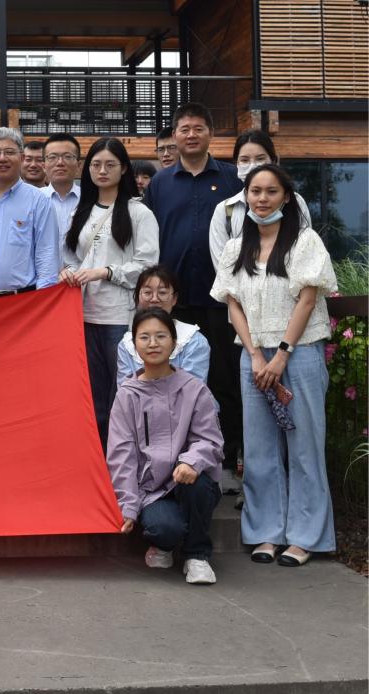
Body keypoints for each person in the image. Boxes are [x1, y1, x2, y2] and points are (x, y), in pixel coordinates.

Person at [211, 163, 337, 567]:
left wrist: (281, 354)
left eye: (271, 191)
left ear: (287, 197)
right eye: (255, 191)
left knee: (305, 448)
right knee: (260, 449)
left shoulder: (305, 241)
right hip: (254, 357)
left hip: (299, 354)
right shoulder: (236, 247)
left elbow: (307, 300)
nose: (262, 199)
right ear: (245, 196)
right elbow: (232, 303)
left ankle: (305, 537)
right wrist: (254, 355)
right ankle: (266, 532)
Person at [144, 102, 244, 473]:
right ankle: (177, 461)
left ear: (210, 134)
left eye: (198, 128)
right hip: (175, 303)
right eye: (184, 129)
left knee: (225, 381)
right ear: (174, 135)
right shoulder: (160, 183)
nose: (191, 135)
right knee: (177, 383)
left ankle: (228, 460)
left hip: (222, 299)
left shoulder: (232, 179)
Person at [107, 307, 224, 585]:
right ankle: (166, 543)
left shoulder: (194, 388)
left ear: (173, 342)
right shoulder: (127, 395)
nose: (153, 343)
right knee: (163, 529)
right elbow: (121, 455)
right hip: (153, 491)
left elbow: (210, 439)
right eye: (144, 337)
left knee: (198, 485)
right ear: (135, 345)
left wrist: (191, 461)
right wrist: (128, 506)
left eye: (160, 336)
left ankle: (197, 555)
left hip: (189, 480)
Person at [59, 136, 159, 449]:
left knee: (123, 393)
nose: (102, 171)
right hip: (84, 315)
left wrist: (107, 271)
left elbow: (148, 264)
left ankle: (125, 458)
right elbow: (71, 257)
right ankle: (99, 459)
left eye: (110, 165)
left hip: (120, 315)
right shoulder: (80, 211)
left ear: (124, 168)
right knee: (94, 395)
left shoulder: (138, 212)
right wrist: (67, 272)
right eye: (96, 164)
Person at [0, 128, 61, 298]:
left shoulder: (39, 201)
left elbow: (46, 254)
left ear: (22, 158)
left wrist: (43, 300)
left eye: (9, 152)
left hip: (23, 301)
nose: (2, 158)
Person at [209, 130, 312, 265]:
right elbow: (222, 265)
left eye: (260, 159)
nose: (252, 166)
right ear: (236, 164)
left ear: (273, 161)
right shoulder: (225, 210)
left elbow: (306, 252)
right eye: (244, 160)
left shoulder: (295, 201)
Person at [116, 265, 210, 385]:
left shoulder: (193, 340)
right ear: (138, 296)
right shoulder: (126, 344)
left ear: (174, 298)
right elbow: (124, 390)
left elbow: (193, 390)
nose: (154, 299)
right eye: (147, 292)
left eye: (162, 292)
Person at [41, 133, 82, 237]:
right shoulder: (34, 198)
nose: (60, 163)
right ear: (43, 166)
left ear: (78, 165)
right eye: (52, 157)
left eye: (67, 157)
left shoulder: (89, 199)